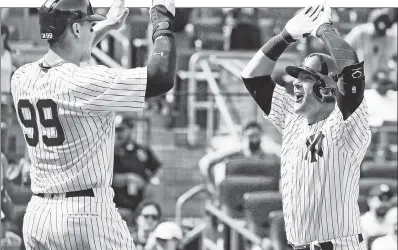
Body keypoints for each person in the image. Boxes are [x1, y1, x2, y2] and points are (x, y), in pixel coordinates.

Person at [10, 0, 177, 248]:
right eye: (88, 24)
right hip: (85, 215)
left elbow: (66, 55)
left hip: (38, 215)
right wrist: (162, 22)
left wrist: (107, 26)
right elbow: (160, 76)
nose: (92, 29)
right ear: (76, 29)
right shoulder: (86, 81)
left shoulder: (21, 77)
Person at [241, 4, 371, 249]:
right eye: (297, 78)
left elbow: (350, 70)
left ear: (328, 89)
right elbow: (252, 77)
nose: (296, 85)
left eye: (307, 78)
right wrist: (285, 37)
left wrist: (324, 30)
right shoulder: (293, 118)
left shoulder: (346, 124)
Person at [198, 121, 280, 191]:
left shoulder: (269, 157)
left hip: (259, 196)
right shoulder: (234, 154)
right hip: (236, 197)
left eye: (257, 136)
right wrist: (213, 188)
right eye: (251, 136)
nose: (254, 140)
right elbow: (206, 163)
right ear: (244, 136)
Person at [113, 114, 162, 217]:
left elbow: (157, 168)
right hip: (118, 206)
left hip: (139, 206)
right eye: (116, 130)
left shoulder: (141, 150)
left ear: (130, 129)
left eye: (121, 129)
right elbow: (109, 178)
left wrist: (149, 183)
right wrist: (129, 178)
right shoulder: (113, 151)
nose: (118, 133)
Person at [345, 8, 397, 87]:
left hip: (381, 84)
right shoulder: (360, 32)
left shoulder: (391, 37)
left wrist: (391, 76)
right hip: (361, 82)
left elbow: (394, 59)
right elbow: (342, 50)